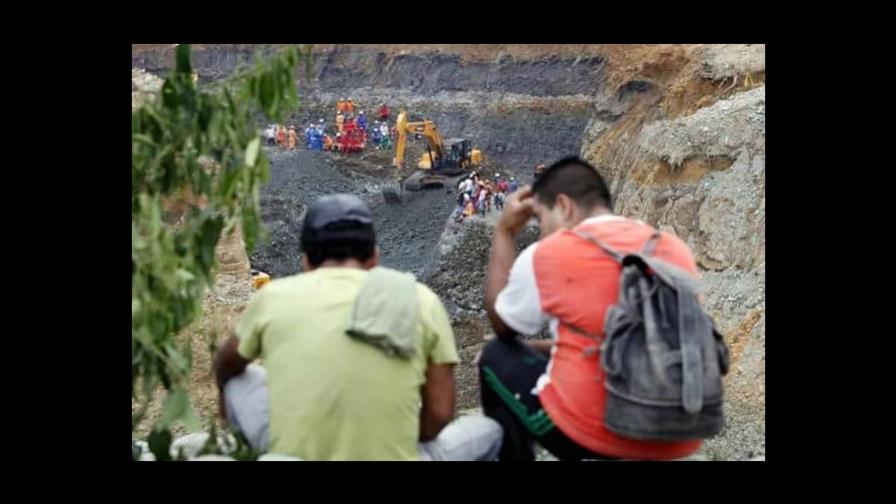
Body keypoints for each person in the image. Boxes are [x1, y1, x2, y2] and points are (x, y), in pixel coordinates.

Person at [214, 194, 503, 461]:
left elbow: (225, 365)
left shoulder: (272, 296)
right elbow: (440, 413)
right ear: (374, 256)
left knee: (241, 379)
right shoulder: (420, 299)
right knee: (491, 431)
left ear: (305, 260)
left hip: (292, 454)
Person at [477, 156, 704, 461]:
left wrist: (504, 232)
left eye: (543, 219)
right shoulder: (671, 248)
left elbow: (502, 325)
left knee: (495, 355)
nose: (543, 232)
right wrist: (536, 348)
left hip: (599, 438)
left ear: (565, 206)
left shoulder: (552, 252)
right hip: (676, 437)